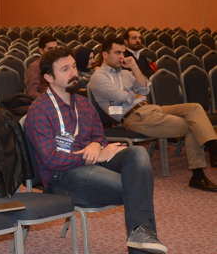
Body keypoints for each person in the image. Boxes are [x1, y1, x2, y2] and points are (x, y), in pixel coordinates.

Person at [25, 48, 175, 254]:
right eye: (65, 69)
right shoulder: (40, 110)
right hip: (63, 177)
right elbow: (51, 159)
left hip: (92, 165)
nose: (74, 73)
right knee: (135, 188)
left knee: (137, 154)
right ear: (48, 78)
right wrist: (92, 154)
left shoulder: (83, 103)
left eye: (74, 66)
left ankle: (139, 231)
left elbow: (99, 135)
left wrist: (96, 146)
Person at [90, 37, 217, 192]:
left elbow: (144, 90)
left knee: (195, 108)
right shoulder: (98, 76)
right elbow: (121, 96)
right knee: (191, 126)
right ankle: (198, 176)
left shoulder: (125, 73)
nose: (122, 57)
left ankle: (214, 150)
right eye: (117, 53)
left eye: (123, 52)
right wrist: (135, 95)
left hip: (151, 108)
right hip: (134, 116)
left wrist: (134, 67)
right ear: (105, 54)